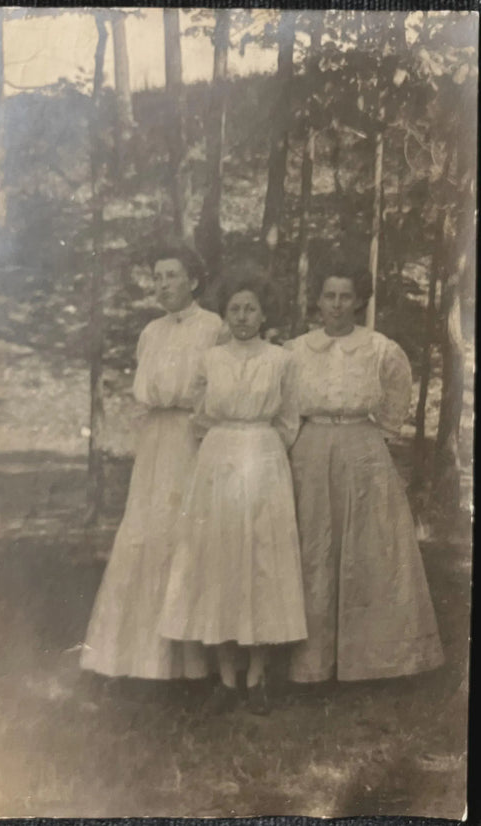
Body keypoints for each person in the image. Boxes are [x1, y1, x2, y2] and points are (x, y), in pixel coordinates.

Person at [285, 261, 444, 684]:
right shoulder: (296, 350)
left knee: (368, 549)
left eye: (345, 297)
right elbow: (284, 404)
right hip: (312, 447)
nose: (337, 305)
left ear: (359, 301)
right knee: (314, 544)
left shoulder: (379, 348)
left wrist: (382, 435)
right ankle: (311, 662)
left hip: (363, 448)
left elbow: (396, 392)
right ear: (317, 300)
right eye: (329, 296)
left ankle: (371, 660)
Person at [158, 278, 307, 714]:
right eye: (236, 308)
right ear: (226, 314)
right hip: (219, 458)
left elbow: (289, 418)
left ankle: (258, 671)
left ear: (264, 315)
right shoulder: (211, 359)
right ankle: (225, 673)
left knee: (261, 556)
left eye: (251, 308)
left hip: (264, 457)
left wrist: (261, 447)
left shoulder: (282, 360)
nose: (243, 316)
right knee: (220, 554)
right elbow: (200, 415)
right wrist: (225, 442)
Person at [81, 243, 224, 681]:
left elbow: (219, 389)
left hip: (193, 438)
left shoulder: (214, 328)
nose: (163, 285)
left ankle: (192, 665)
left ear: (193, 280)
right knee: (144, 534)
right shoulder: (150, 332)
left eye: (172, 276)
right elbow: (144, 400)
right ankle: (135, 657)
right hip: (157, 443)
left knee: (186, 536)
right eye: (157, 277)